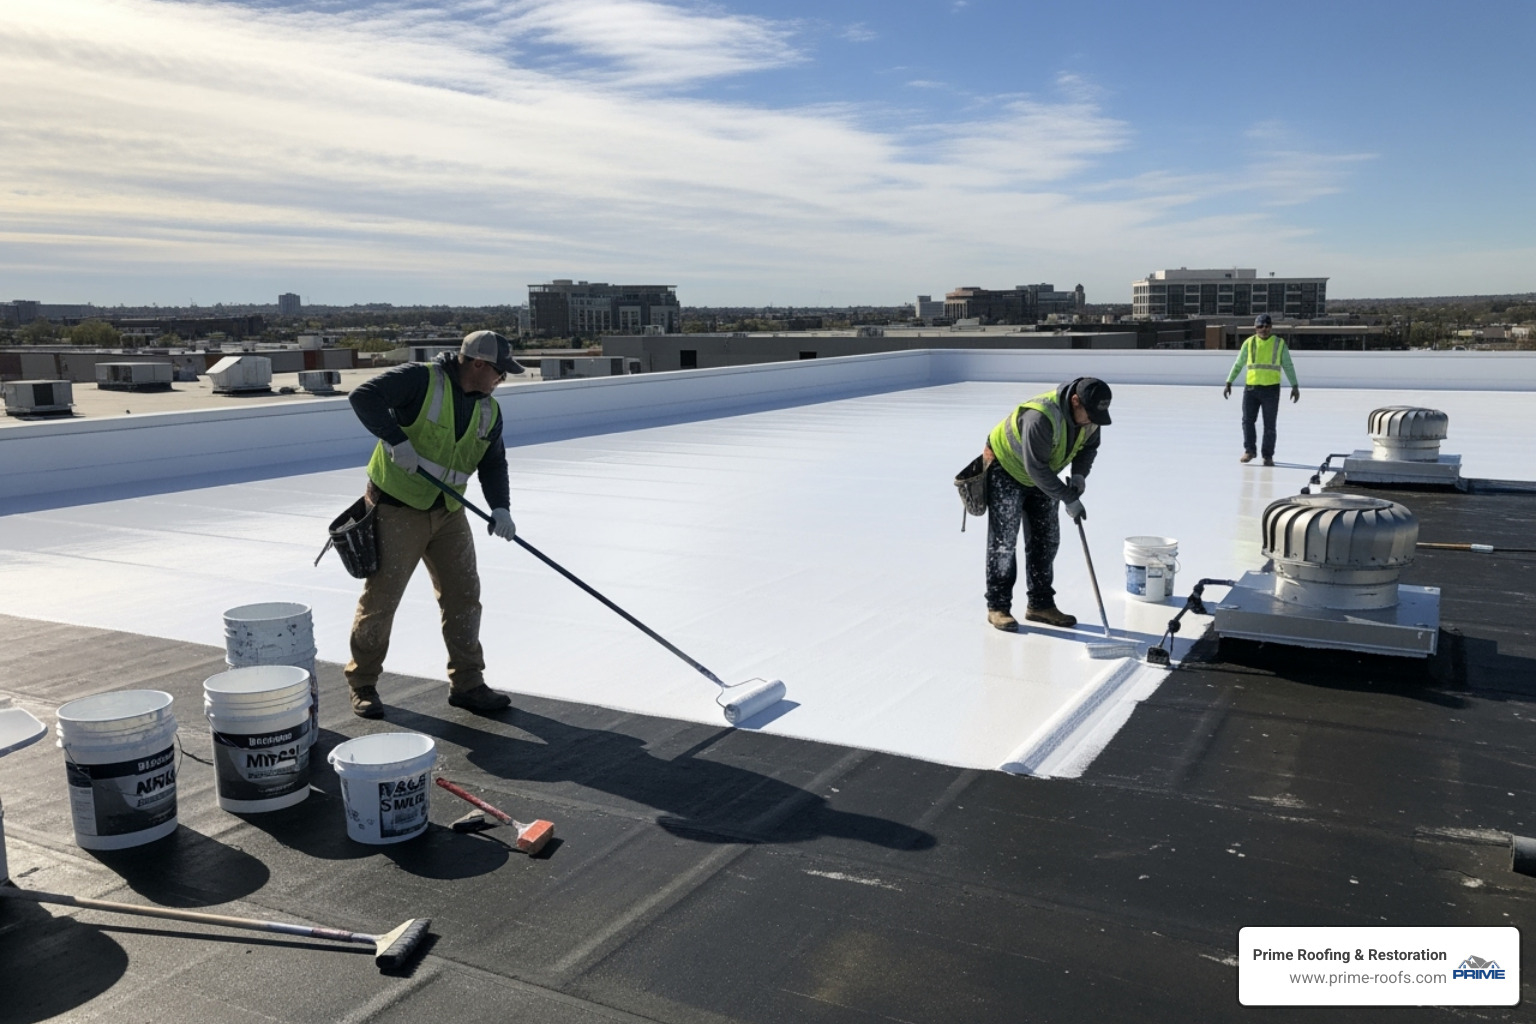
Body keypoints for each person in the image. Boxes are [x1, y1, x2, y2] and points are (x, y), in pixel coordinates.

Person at [342, 330, 525, 718]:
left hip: (448, 512)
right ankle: (363, 684)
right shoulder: (421, 380)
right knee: (382, 599)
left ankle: (468, 683)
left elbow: (493, 463)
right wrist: (395, 439)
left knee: (463, 595)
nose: (501, 380)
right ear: (478, 364)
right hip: (397, 507)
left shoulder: (490, 409)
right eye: (499, 371)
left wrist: (501, 509)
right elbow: (363, 397)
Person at [981, 377, 1112, 631]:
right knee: (1004, 541)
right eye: (1090, 413)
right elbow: (1036, 469)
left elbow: (1089, 448)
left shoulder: (1091, 417)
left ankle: (1040, 605)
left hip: (1043, 471)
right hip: (1006, 468)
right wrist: (1068, 496)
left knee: (1046, 537)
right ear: (1075, 401)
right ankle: (998, 606)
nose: (1093, 420)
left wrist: (1079, 476)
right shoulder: (1040, 417)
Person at [1223, 314, 1300, 466]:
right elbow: (1239, 363)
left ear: (1271, 327)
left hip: (1271, 390)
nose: (1263, 329)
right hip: (1251, 389)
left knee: (1270, 425)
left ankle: (1268, 455)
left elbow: (1288, 365)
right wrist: (1229, 381)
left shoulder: (1279, 343)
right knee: (1247, 421)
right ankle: (1249, 450)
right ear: (1255, 328)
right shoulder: (1249, 343)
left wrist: (1294, 385)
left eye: (1266, 326)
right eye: (1260, 326)